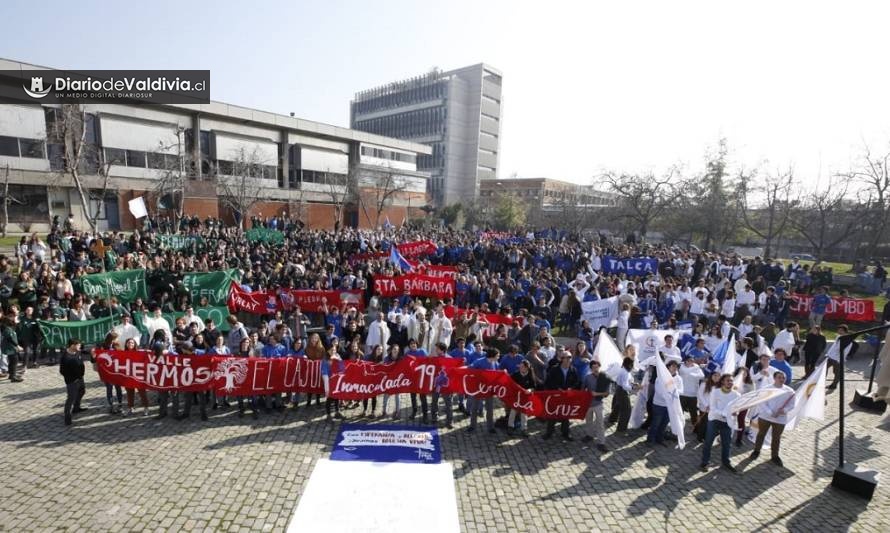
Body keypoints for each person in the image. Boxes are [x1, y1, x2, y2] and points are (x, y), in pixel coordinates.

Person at [750, 371, 796, 467]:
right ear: (774, 378)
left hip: (780, 419)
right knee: (761, 434)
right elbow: (762, 402)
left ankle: (775, 456)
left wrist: (784, 410)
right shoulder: (767, 389)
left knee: (776, 438)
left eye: (783, 378)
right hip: (765, 417)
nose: (782, 379)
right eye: (779, 377)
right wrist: (770, 412)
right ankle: (756, 451)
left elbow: (792, 405)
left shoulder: (790, 391)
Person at [700, 373, 741, 473]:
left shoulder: (736, 395)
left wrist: (736, 412)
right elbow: (713, 408)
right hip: (714, 419)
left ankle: (726, 462)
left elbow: (737, 408)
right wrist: (724, 413)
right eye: (728, 380)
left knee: (727, 443)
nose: (730, 382)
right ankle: (705, 462)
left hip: (727, 422)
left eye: (731, 381)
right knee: (708, 441)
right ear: (722, 381)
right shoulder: (715, 391)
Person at [543, 350, 581, 440]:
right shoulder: (554, 369)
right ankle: (549, 432)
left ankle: (565, 433)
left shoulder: (573, 370)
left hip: (567, 397)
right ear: (562, 359)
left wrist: (571, 388)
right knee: (552, 415)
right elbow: (548, 382)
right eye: (567, 358)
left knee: (566, 415)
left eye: (570, 358)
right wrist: (557, 388)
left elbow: (577, 382)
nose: (568, 359)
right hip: (556, 396)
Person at [647, 359, 683, 446]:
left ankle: (659, 438)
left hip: (670, 406)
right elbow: (659, 391)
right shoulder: (661, 377)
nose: (675, 368)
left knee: (664, 423)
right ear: (668, 367)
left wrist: (673, 392)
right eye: (673, 366)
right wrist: (670, 395)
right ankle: (650, 440)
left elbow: (681, 390)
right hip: (659, 404)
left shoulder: (678, 378)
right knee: (656, 423)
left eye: (676, 367)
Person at [468, 349, 501, 434]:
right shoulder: (479, 361)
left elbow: (498, 372)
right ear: (492, 356)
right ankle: (472, 426)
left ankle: (490, 427)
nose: (499, 357)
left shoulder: (495, 363)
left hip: (489, 389)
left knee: (490, 409)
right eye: (497, 355)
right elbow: (470, 368)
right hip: (478, 389)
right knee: (474, 408)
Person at [582, 359, 611, 452]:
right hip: (588, 404)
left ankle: (601, 443)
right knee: (588, 421)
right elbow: (583, 389)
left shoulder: (605, 377)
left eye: (597, 367)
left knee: (600, 423)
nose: (595, 369)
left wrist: (597, 394)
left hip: (598, 404)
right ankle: (589, 435)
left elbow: (607, 393)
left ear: (599, 367)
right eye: (593, 367)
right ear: (590, 369)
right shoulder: (587, 377)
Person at [60, 338, 87, 425]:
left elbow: (83, 356)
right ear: (72, 346)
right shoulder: (65, 357)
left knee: (82, 391)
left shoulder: (78, 352)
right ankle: (67, 417)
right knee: (71, 398)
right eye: (78, 345)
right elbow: (62, 371)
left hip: (80, 378)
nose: (80, 346)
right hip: (72, 381)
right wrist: (72, 378)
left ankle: (76, 407)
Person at [429, 342, 454, 429]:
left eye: (437, 349)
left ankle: (449, 421)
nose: (436, 350)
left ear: (442, 350)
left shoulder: (450, 359)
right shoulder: (435, 358)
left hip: (445, 385)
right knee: (434, 401)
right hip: (436, 384)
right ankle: (434, 418)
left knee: (448, 403)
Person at [508, 360, 535, 437]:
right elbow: (509, 382)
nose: (521, 367)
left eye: (523, 367)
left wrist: (530, 390)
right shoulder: (515, 374)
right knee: (513, 411)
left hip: (525, 397)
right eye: (520, 366)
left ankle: (524, 429)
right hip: (516, 397)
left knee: (524, 413)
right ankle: (510, 426)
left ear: (527, 368)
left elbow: (533, 386)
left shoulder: (530, 375)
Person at [826, 324, 855, 391]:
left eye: (840, 330)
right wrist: (828, 353)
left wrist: (839, 360)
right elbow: (834, 346)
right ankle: (821, 382)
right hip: (830, 357)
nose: (838, 331)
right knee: (824, 369)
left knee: (836, 373)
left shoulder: (848, 341)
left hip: (837, 360)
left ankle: (834, 385)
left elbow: (845, 352)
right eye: (838, 329)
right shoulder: (838, 337)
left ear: (844, 331)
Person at [679, 355, 704, 425]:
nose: (691, 362)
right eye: (689, 360)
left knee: (693, 413)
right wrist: (694, 373)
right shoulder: (681, 367)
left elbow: (702, 376)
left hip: (693, 394)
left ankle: (695, 428)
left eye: (692, 360)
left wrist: (692, 374)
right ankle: (679, 427)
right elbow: (685, 372)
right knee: (680, 412)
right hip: (682, 394)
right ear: (685, 361)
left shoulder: (696, 367)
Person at [1, 315, 24, 382]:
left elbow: (17, 328)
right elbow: (10, 339)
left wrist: (17, 322)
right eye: (13, 319)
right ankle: (13, 377)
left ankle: (12, 375)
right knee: (14, 361)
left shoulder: (8, 327)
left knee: (12, 362)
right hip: (10, 348)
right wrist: (17, 346)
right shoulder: (7, 329)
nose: (14, 320)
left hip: (10, 347)